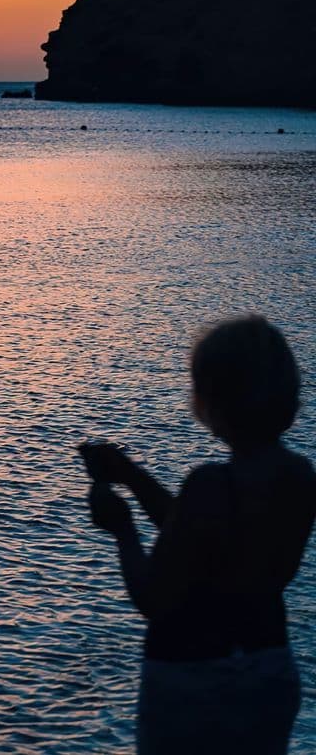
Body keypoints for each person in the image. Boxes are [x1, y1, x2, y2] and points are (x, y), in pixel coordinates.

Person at [80, 315, 316, 755]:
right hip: (268, 670)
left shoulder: (209, 484)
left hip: (192, 681)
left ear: (212, 400)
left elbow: (153, 598)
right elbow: (212, 538)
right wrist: (132, 477)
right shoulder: (299, 477)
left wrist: (122, 528)